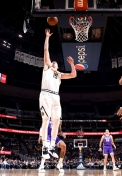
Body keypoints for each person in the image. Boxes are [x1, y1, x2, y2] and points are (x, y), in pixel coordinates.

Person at [39, 28, 77, 159]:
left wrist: (72, 64)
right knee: (45, 119)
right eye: (52, 61)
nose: (53, 62)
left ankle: (51, 146)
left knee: (56, 121)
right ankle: (45, 146)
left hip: (56, 97)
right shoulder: (47, 68)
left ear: (57, 66)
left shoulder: (59, 74)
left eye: (55, 62)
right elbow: (46, 51)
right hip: (45, 95)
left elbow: (73, 75)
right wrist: (47, 37)